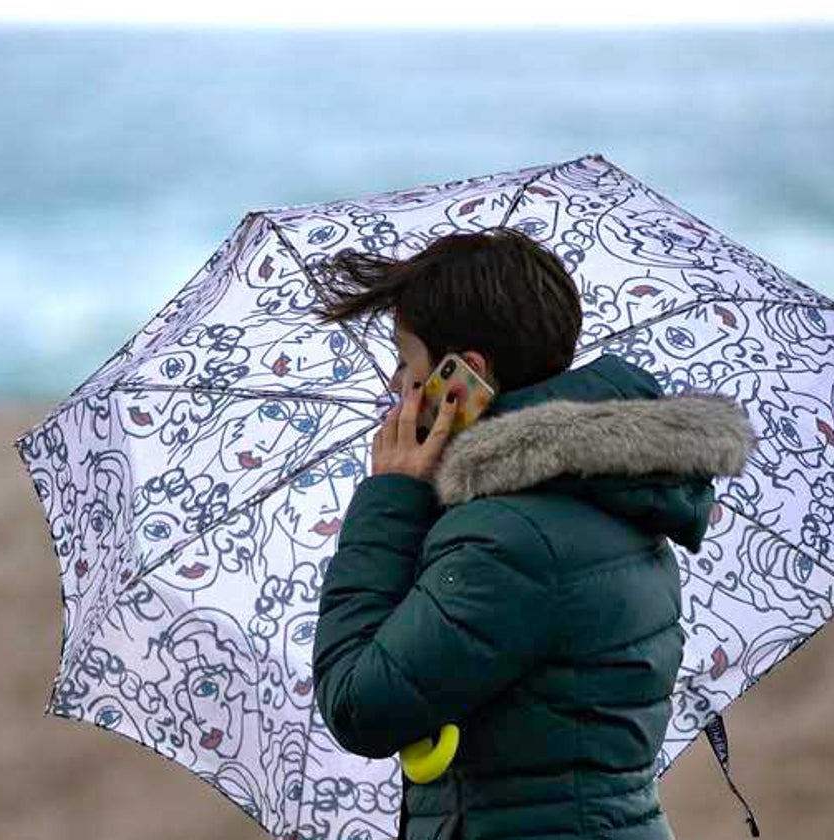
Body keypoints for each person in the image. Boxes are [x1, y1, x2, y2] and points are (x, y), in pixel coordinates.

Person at [309, 227, 759, 840]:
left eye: (405, 360)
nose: (395, 384)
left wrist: (391, 497)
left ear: (462, 375)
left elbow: (361, 706)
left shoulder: (507, 536)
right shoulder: (605, 490)